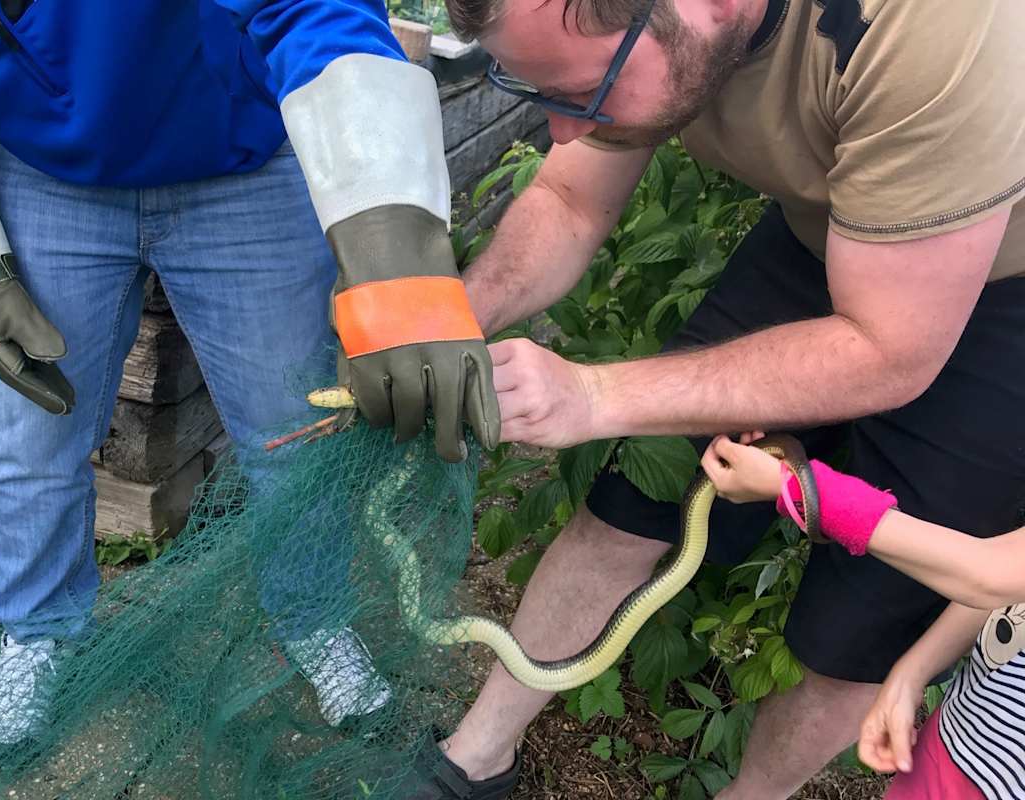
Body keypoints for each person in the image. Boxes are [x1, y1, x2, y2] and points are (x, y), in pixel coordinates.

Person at [0, 0, 498, 763]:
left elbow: (315, 7)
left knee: (291, 431)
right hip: (49, 183)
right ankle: (38, 632)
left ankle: (315, 620)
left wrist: (394, 243)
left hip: (247, 165)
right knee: (30, 435)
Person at [406, 0, 1025, 797]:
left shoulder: (933, 25)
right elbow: (568, 202)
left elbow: (887, 350)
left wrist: (593, 394)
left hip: (1003, 296)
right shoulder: (644, 32)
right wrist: (445, 329)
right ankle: (475, 761)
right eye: (543, 96)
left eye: (583, 96)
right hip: (830, 229)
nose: (561, 134)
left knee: (857, 636)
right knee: (634, 504)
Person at [703, 433, 1025, 800]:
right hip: (960, 742)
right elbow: (1005, 587)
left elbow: (989, 576)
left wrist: (798, 489)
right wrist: (910, 673)